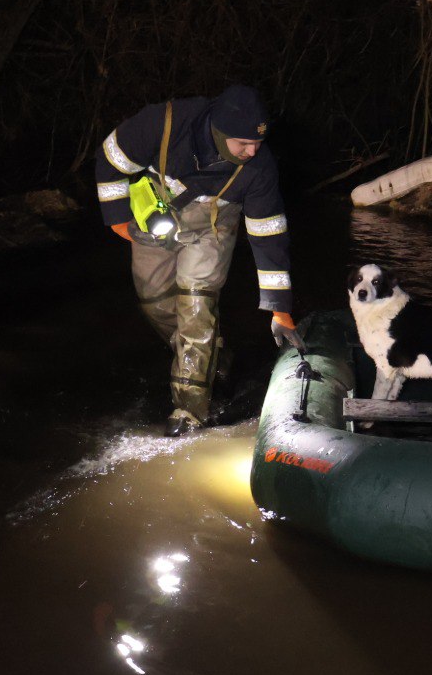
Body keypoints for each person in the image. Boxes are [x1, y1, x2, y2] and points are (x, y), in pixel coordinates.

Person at [96, 84, 304, 437]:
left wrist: (279, 307)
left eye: (258, 143)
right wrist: (116, 217)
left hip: (212, 227)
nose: (253, 151)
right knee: (155, 302)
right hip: (155, 222)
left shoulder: (260, 168)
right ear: (219, 132)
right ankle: (214, 355)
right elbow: (111, 157)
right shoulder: (163, 123)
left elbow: (268, 234)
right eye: (243, 144)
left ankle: (189, 410)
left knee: (195, 306)